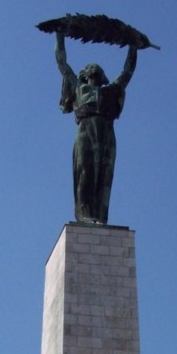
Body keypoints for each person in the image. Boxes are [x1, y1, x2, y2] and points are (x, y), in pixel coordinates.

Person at [55, 31, 137, 225]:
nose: (93, 67)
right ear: (85, 74)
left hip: (106, 132)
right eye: (89, 67)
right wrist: (59, 35)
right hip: (85, 130)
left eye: (96, 67)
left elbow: (127, 72)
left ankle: (99, 215)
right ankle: (84, 213)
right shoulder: (78, 87)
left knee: (103, 175)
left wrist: (133, 46)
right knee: (85, 171)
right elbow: (62, 64)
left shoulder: (111, 90)